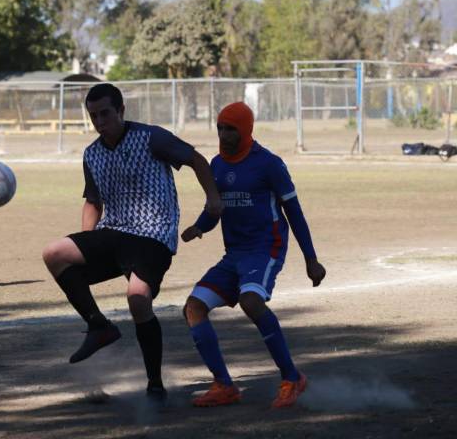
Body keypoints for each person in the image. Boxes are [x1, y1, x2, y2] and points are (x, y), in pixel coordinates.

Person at [41, 83, 223, 400]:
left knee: (138, 299)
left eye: (106, 113)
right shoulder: (92, 154)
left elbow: (196, 159)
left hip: (153, 235)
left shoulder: (151, 137)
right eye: (94, 116)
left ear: (122, 111)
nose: (100, 121)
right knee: (54, 254)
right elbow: (93, 202)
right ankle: (99, 326)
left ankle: (154, 383)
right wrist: (86, 241)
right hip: (114, 232)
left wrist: (213, 200)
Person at [181, 101, 326, 408]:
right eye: (220, 127)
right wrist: (199, 226)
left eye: (230, 129)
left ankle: (292, 378)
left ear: (245, 130)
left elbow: (294, 213)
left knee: (250, 300)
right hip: (234, 254)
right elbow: (215, 208)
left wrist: (311, 259)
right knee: (193, 307)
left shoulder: (268, 164)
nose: (223, 134)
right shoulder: (216, 165)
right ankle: (224, 386)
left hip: (265, 248)